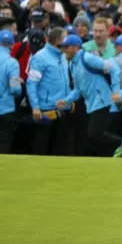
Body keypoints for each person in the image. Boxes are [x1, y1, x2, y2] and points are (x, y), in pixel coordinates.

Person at [57, 34, 122, 157]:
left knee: (94, 133)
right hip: (92, 104)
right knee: (95, 135)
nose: (64, 50)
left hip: (104, 101)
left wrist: (116, 91)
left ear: (76, 48)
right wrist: (67, 101)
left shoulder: (87, 58)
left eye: (67, 47)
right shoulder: (72, 65)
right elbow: (77, 89)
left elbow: (113, 69)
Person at [26, 27, 72, 156]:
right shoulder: (40, 57)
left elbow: (65, 79)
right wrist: (35, 107)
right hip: (46, 109)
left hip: (61, 108)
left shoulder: (62, 56)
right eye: (65, 38)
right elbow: (32, 84)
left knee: (60, 147)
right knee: (41, 145)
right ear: (58, 40)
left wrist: (69, 99)